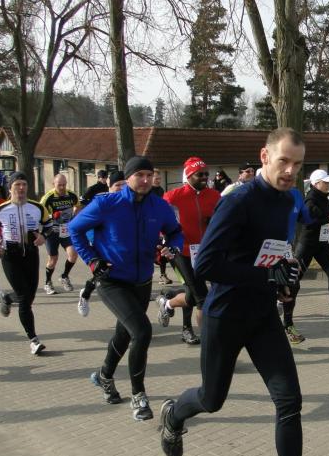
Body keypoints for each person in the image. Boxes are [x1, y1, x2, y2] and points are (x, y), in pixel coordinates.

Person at [157, 128, 329, 456]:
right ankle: (174, 415)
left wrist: (283, 277)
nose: (290, 171)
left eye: (297, 164)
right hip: (225, 315)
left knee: (289, 402)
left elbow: (272, 253)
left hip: (262, 315)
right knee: (212, 399)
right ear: (264, 156)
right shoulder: (238, 200)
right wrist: (265, 276)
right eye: (284, 161)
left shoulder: (288, 199)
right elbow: (207, 265)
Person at [70, 156, 183, 421]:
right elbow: (75, 229)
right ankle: (138, 395)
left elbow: (175, 231)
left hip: (142, 281)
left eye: (149, 175)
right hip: (111, 280)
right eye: (139, 175)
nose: (145, 180)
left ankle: (104, 375)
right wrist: (92, 260)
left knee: (124, 334)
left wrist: (173, 246)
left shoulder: (159, 206)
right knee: (142, 331)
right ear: (128, 177)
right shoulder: (106, 204)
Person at [0, 172, 52, 355]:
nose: (21, 188)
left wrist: (43, 237)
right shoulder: (1, 209)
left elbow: (49, 225)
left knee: (29, 295)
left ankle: (7, 298)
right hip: (10, 256)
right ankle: (33, 340)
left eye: (24, 184)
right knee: (24, 298)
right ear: (10, 188)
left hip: (31, 254)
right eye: (17, 185)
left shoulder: (38, 207)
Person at [157, 157, 220, 345]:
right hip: (180, 251)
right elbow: (160, 222)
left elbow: (224, 218)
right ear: (189, 176)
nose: (205, 177)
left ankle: (168, 302)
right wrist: (163, 241)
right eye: (200, 174)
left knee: (193, 293)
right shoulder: (173, 196)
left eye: (206, 174)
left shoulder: (214, 196)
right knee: (202, 298)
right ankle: (209, 342)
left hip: (205, 251)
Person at [282, 169, 329, 335]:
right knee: (294, 279)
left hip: (321, 243)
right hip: (307, 244)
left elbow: (320, 221)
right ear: (316, 183)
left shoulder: (323, 197)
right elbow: (309, 223)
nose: (328, 185)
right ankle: (283, 304)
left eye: (328, 182)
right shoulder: (310, 199)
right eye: (325, 182)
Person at [76, 171, 126, 317]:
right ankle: (85, 294)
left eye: (124, 185)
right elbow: (81, 225)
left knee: (111, 275)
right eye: (118, 185)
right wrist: (93, 248)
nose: (121, 188)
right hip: (101, 244)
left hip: (122, 246)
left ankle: (86, 292)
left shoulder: (130, 202)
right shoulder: (101, 202)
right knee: (103, 272)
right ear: (110, 186)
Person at [40, 174, 80, 295]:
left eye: (64, 185)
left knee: (73, 254)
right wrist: (52, 216)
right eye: (59, 185)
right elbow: (39, 214)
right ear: (54, 184)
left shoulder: (72, 195)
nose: (62, 187)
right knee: (53, 259)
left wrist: (74, 217)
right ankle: (47, 282)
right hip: (52, 231)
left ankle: (64, 276)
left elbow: (77, 206)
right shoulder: (48, 198)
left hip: (66, 230)